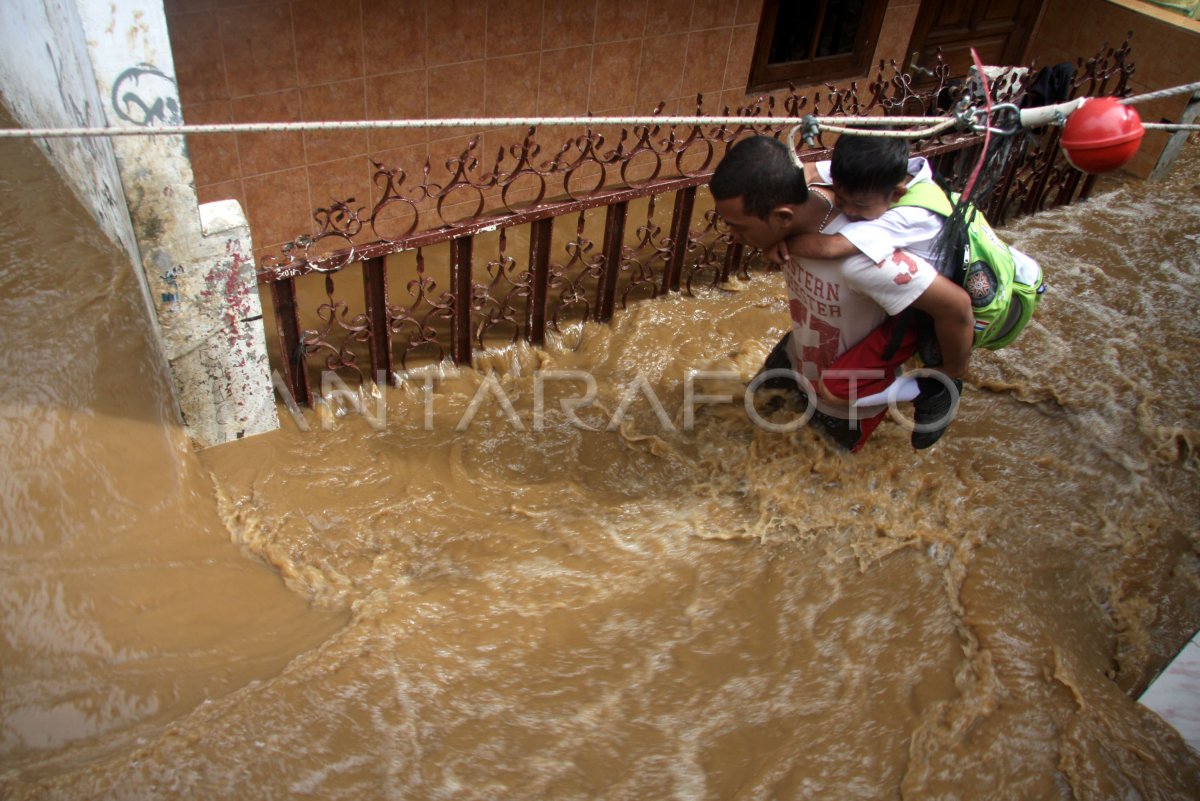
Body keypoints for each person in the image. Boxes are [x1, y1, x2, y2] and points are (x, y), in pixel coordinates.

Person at [710, 135, 975, 452]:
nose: (732, 236)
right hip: (796, 354)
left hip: (844, 403)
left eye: (739, 227)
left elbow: (956, 309)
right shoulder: (804, 203)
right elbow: (805, 171)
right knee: (737, 430)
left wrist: (947, 377)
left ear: (782, 217)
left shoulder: (866, 257)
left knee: (820, 480)